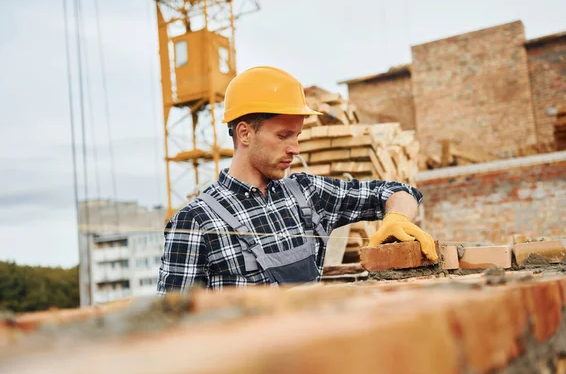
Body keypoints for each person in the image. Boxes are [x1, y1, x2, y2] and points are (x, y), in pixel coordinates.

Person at [157, 66, 437, 294]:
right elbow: (171, 330)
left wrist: (398, 218)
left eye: (297, 136)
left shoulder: (307, 194)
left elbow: (398, 191)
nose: (295, 149)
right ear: (244, 133)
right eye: (283, 136)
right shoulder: (196, 222)